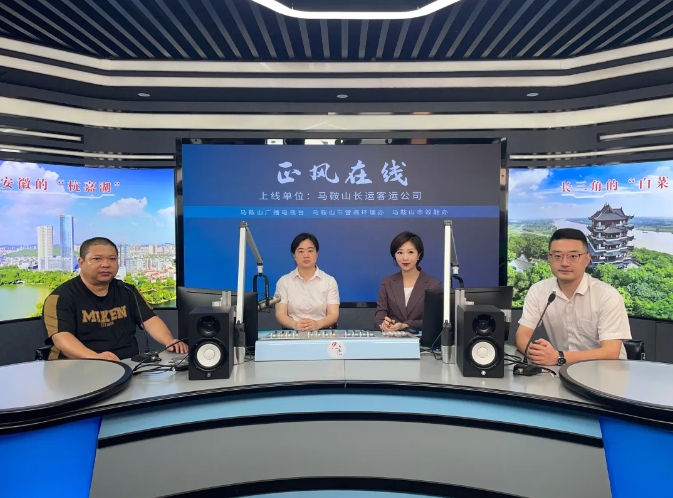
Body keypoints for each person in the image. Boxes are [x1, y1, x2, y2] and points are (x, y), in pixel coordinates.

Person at [42, 237, 188, 361]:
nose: (106, 264)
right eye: (97, 259)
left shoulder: (127, 291)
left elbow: (149, 320)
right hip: (78, 367)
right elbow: (61, 338)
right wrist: (95, 357)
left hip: (128, 365)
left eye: (112, 259)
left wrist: (169, 341)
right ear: (81, 262)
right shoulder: (61, 297)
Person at [515, 228, 631, 366]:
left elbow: (611, 352)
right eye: (557, 256)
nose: (564, 263)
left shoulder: (607, 296)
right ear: (549, 258)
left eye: (573, 256)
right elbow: (522, 336)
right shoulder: (538, 290)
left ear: (587, 259)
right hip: (561, 370)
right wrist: (539, 355)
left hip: (607, 371)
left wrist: (558, 357)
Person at [375, 231, 441, 332]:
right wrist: (384, 324)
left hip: (421, 339)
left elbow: (433, 320)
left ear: (419, 255)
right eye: (400, 252)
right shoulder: (387, 282)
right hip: (392, 338)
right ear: (394, 255)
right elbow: (379, 318)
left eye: (410, 252)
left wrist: (405, 325)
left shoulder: (433, 284)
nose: (405, 258)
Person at [274, 233, 340, 331]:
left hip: (321, 331)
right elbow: (280, 314)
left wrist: (317, 324)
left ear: (317, 254)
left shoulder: (329, 281)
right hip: (293, 332)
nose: (306, 255)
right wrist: (295, 324)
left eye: (310, 251)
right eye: (301, 251)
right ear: (294, 255)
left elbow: (333, 314)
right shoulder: (284, 281)